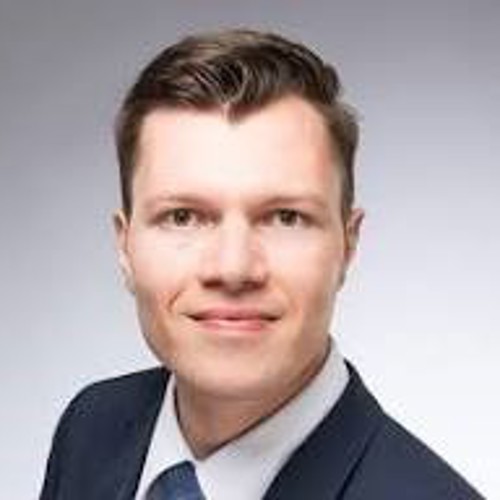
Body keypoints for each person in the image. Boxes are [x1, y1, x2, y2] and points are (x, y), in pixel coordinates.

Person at [40, 29, 483, 499]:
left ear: (347, 244)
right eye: (183, 216)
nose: (233, 268)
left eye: (285, 217)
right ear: (125, 245)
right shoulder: (92, 427)